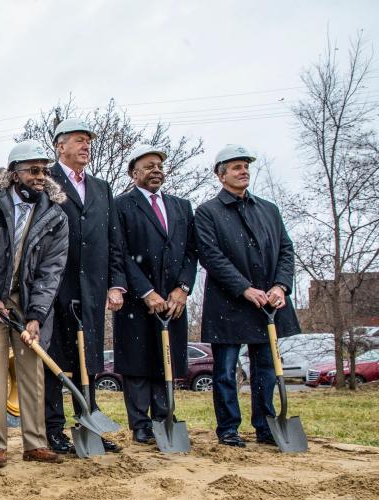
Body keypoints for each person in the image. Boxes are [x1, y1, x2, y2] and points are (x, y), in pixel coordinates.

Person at [0, 140, 69, 468]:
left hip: (28, 298)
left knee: (31, 368)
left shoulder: (54, 216)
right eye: (33, 170)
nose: (41, 176)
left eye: (44, 170)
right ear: (14, 173)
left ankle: (35, 442)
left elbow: (52, 270)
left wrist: (37, 315)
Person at [195, 144, 300, 447]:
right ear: (221, 174)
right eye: (236, 167)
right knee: (226, 370)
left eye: (246, 167)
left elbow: (286, 250)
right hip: (229, 303)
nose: (243, 172)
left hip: (267, 302)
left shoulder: (267, 209)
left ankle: (266, 425)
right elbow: (211, 257)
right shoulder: (208, 212)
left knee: (266, 368)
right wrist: (243, 287)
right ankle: (228, 427)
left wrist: (281, 285)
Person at [44, 118, 126, 454]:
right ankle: (53, 430)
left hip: (92, 288)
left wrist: (116, 284)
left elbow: (113, 239)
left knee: (88, 360)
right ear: (60, 146)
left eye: (88, 141)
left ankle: (88, 422)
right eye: (78, 140)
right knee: (54, 360)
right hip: (55, 285)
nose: (85, 145)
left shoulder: (102, 188)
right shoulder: (45, 181)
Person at [113, 145, 198, 443]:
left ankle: (164, 417)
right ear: (134, 173)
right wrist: (146, 291)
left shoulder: (181, 207)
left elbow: (191, 251)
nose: (156, 171)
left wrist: (182, 289)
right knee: (137, 362)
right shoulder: (121, 206)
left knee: (167, 359)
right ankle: (140, 425)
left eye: (159, 166)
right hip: (138, 301)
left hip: (173, 300)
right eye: (149, 166)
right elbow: (120, 253)